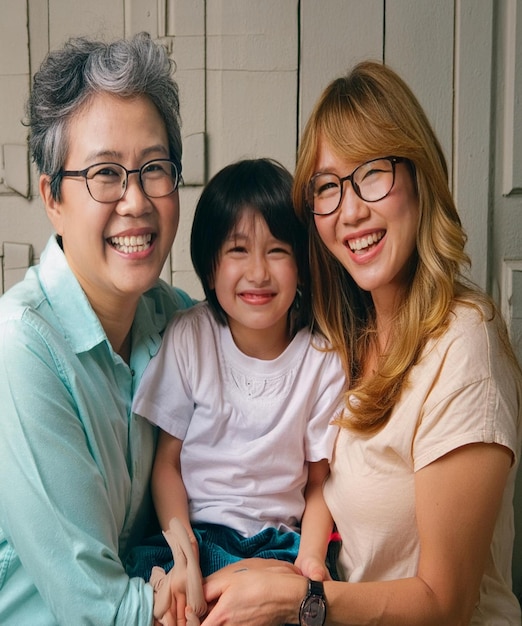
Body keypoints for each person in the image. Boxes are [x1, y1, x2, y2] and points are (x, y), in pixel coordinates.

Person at [200, 62, 522, 626]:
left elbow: (445, 604)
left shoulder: (464, 343)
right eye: (328, 187)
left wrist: (296, 600)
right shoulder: (342, 339)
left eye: (372, 173)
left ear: (420, 174)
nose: (350, 212)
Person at [0, 33, 194, 625]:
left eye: (154, 169)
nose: (136, 201)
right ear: (52, 198)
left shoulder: (179, 318)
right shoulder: (21, 347)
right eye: (105, 174)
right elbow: (100, 613)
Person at [128, 159, 345, 601]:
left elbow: (320, 482)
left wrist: (311, 559)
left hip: (279, 545)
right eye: (238, 250)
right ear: (210, 268)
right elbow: (167, 463)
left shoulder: (322, 359)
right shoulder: (192, 336)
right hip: (197, 537)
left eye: (277, 250)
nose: (258, 273)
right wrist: (183, 547)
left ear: (302, 265)